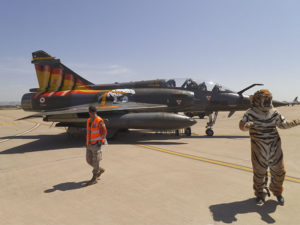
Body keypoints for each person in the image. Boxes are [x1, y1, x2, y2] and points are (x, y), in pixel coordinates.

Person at [239, 89, 300, 205]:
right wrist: (246, 126)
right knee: (259, 174)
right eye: (264, 99)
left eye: (268, 99)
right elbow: (242, 125)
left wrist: (297, 121)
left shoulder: (274, 112)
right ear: (257, 100)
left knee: (280, 172)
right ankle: (260, 194)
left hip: (274, 148)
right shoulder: (250, 113)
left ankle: (277, 192)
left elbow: (283, 124)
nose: (267, 101)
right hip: (259, 149)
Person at [85, 105, 107, 186]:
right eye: (91, 113)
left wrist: (102, 140)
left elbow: (104, 132)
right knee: (88, 160)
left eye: (93, 113)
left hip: (96, 144)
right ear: (89, 113)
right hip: (89, 144)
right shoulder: (88, 120)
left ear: (95, 112)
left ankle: (94, 178)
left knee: (96, 160)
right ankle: (99, 170)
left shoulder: (99, 121)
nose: (92, 114)